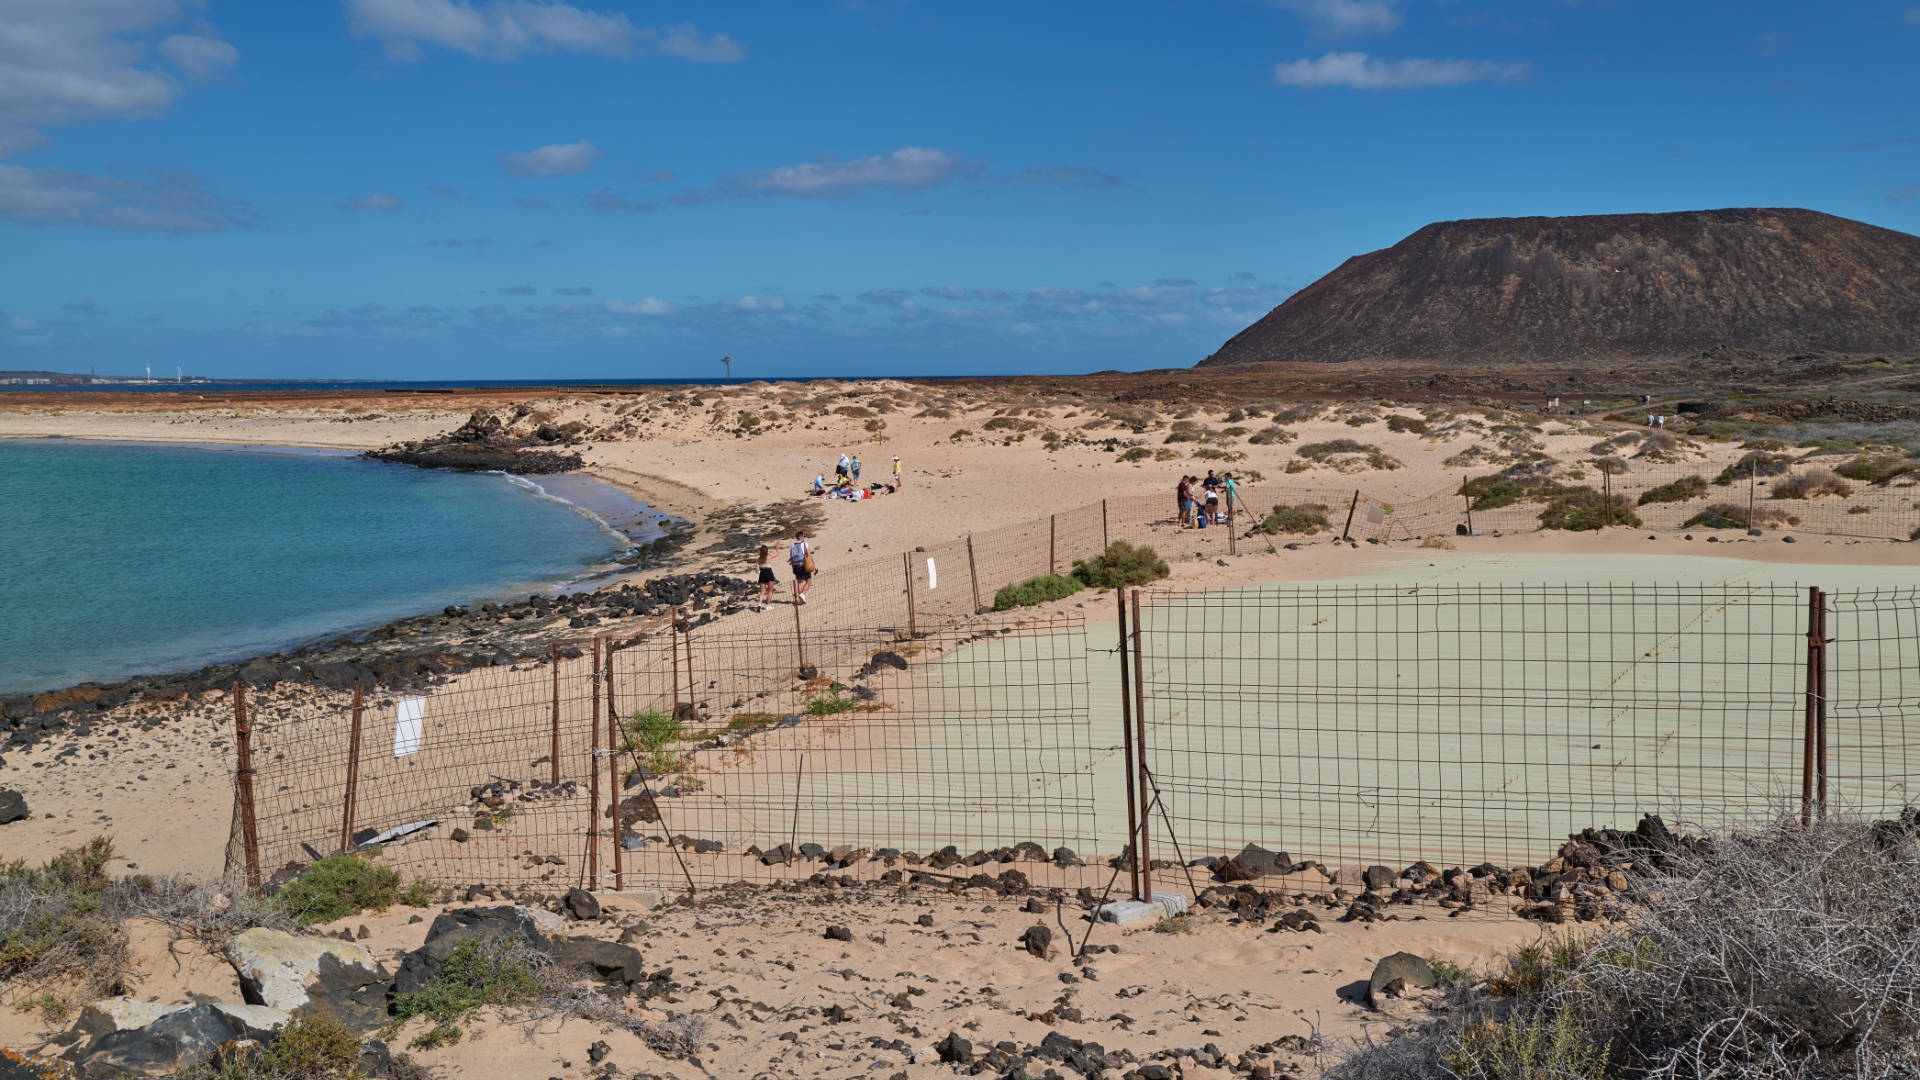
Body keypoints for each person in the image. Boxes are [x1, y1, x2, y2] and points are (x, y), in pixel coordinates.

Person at [789, 530, 814, 604]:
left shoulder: (792, 546)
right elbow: (809, 555)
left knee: (799, 582)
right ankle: (803, 594)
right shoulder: (805, 544)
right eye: (804, 536)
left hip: (796, 566)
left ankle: (800, 600)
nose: (804, 537)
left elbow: (792, 559)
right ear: (801, 537)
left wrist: (793, 568)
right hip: (803, 565)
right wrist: (813, 563)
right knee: (808, 581)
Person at [755, 545, 777, 609]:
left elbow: (756, 569)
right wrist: (777, 548)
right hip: (769, 573)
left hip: (762, 574)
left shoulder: (759, 559)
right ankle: (768, 605)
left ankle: (759, 603)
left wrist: (758, 568)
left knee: (762, 591)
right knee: (770, 590)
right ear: (767, 551)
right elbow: (777, 554)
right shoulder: (769, 557)